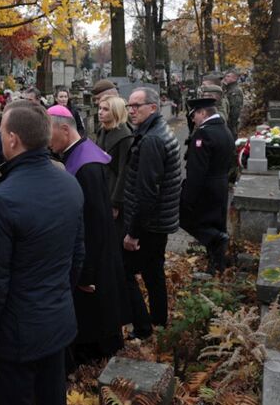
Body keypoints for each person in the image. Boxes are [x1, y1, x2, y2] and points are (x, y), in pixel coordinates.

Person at [0, 101, 84, 405]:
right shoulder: (68, 182)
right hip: (57, 318)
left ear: (11, 139)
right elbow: (78, 256)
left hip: (16, 331)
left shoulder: (3, 200)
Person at [48, 106, 129, 362]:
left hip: (94, 253)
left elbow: (92, 222)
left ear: (64, 129)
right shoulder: (77, 154)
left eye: (48, 133)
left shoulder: (86, 165)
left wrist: (86, 271)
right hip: (92, 249)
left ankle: (97, 354)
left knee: (96, 310)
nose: (47, 141)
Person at [122, 87, 181, 334]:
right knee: (153, 271)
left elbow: (146, 192)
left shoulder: (152, 139)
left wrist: (133, 233)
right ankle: (158, 320)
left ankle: (143, 326)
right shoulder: (155, 131)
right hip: (158, 221)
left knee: (125, 271)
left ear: (153, 108)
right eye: (129, 106)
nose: (131, 110)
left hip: (150, 224)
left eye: (137, 106)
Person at [180, 98, 234, 274]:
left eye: (194, 114)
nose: (193, 119)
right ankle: (216, 266)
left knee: (186, 218)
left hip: (205, 188)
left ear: (203, 113)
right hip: (220, 185)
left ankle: (217, 241)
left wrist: (187, 197)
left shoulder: (203, 134)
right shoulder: (224, 129)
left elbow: (197, 170)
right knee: (215, 223)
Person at [96, 96, 134, 220]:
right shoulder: (101, 130)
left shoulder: (125, 136)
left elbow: (124, 172)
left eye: (106, 109)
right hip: (101, 188)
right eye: (100, 108)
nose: (100, 112)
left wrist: (116, 203)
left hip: (114, 191)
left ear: (116, 112)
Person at [222, 70, 243, 136]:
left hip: (231, 123)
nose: (226, 78)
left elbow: (235, 109)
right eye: (225, 76)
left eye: (228, 76)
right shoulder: (228, 88)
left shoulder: (235, 91)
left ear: (234, 78)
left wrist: (231, 124)